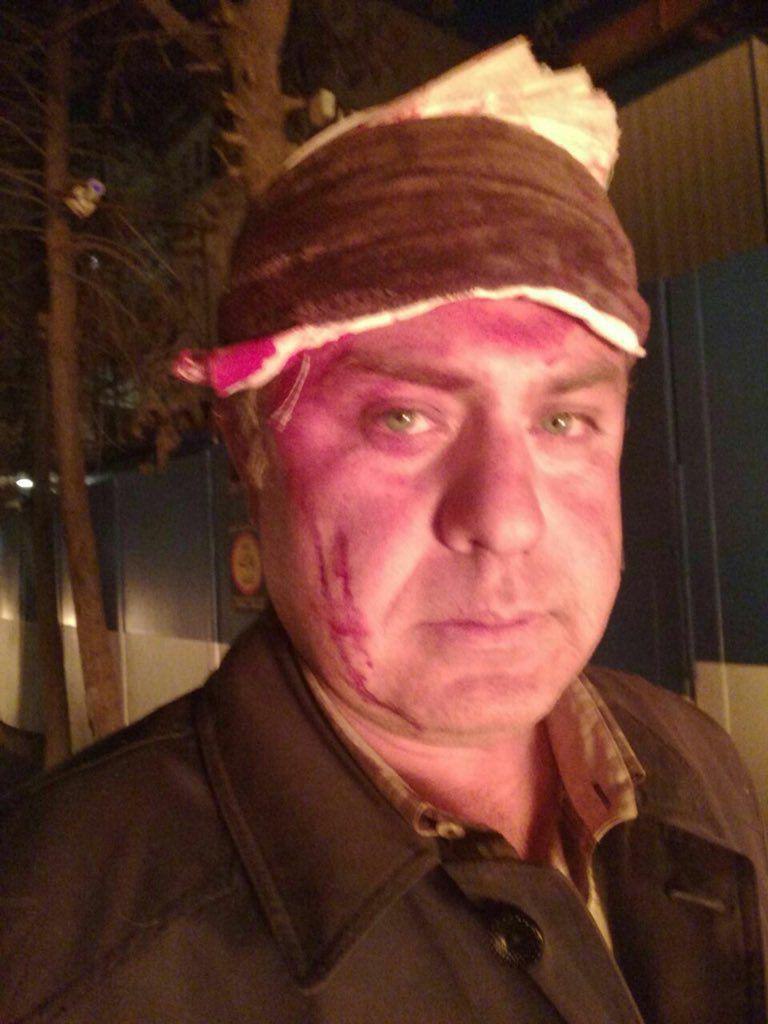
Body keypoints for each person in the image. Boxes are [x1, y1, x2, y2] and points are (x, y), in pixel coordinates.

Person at [1, 38, 766, 1024]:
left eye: (564, 420)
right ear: (248, 448)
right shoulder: (57, 950)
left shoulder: (692, 766)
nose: (506, 518)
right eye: (404, 417)